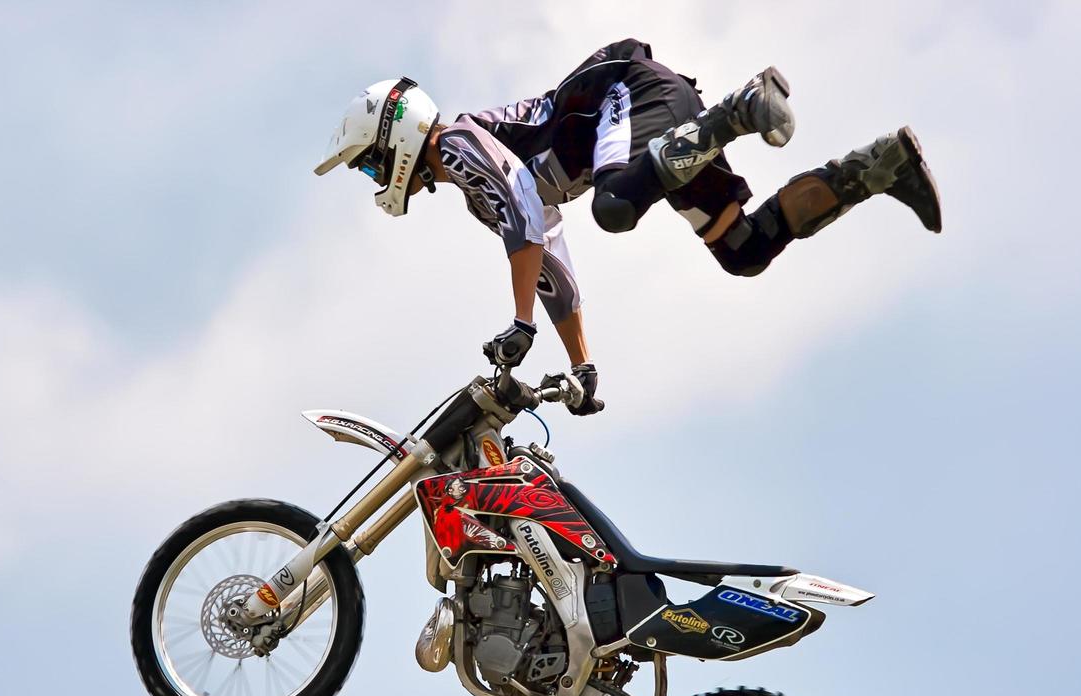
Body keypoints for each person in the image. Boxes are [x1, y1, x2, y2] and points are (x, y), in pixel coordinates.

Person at [314, 39, 941, 415]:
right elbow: (549, 262)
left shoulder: (452, 144)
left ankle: (739, 110)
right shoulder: (471, 174)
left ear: (392, 133)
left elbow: (525, 222)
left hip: (627, 95)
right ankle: (880, 166)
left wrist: (521, 324)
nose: (376, 174)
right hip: (656, 128)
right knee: (741, 248)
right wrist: (582, 366)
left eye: (371, 158)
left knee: (613, 205)